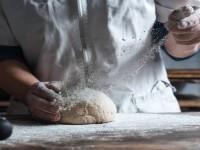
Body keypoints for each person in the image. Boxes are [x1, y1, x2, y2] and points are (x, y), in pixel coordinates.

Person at [0, 0, 200, 123]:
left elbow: (172, 36)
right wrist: (30, 92)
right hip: (45, 115)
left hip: (145, 113)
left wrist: (187, 36)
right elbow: (4, 53)